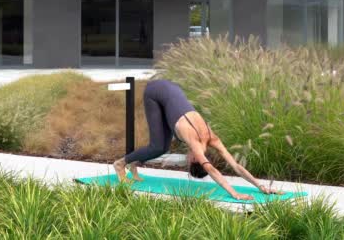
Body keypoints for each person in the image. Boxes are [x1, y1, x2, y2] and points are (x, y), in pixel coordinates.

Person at [113, 79, 281, 201]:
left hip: (172, 87)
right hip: (155, 92)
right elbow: (213, 171)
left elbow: (236, 166)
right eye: (189, 161)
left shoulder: (212, 138)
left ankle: (134, 163)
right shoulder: (198, 146)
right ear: (196, 160)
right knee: (157, 146)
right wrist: (234, 193)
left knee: (162, 148)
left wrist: (261, 186)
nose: (187, 157)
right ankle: (120, 164)